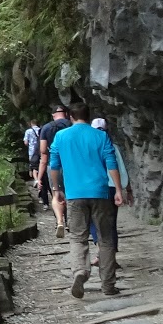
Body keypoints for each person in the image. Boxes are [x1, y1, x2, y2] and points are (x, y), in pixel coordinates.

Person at [48, 101, 123, 298]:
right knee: (105, 239)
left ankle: (80, 271)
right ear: (88, 116)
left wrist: (56, 189)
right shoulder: (100, 136)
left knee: (78, 237)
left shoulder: (61, 136)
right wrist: (118, 190)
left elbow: (54, 166)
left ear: (70, 117)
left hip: (75, 194)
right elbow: (112, 163)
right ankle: (108, 285)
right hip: (100, 193)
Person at [90, 117, 133, 265]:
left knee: (93, 220)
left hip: (95, 188)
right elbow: (122, 169)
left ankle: (101, 251)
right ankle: (111, 257)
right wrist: (127, 189)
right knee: (111, 222)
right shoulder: (113, 147)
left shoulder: (89, 148)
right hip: (112, 187)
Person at [36, 105, 71, 238]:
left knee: (56, 194)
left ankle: (59, 221)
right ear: (66, 114)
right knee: (70, 193)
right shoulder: (71, 125)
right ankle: (70, 221)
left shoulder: (46, 128)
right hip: (71, 165)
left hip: (53, 165)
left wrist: (39, 177)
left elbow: (43, 152)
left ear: (53, 115)